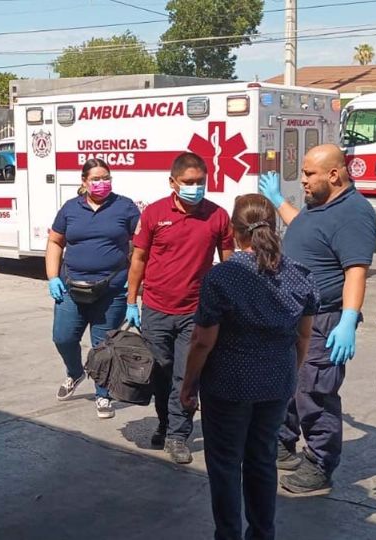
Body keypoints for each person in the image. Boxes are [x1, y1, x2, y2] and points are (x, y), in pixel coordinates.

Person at [179, 194, 317, 540]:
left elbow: (202, 341)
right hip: (275, 384)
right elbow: (303, 337)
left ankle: (227, 534)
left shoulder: (222, 277)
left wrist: (188, 384)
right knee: (262, 460)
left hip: (228, 387)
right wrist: (290, 373)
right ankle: (262, 533)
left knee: (225, 465)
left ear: (233, 231)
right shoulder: (299, 275)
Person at [258, 144, 376, 494]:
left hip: (326, 321)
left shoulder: (354, 214)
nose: (304, 181)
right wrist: (278, 200)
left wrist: (348, 319)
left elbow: (356, 271)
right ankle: (283, 443)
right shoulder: (320, 205)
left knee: (315, 393)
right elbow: (303, 228)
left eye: (309, 174)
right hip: (295, 318)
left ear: (334, 175)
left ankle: (320, 464)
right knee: (289, 385)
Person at [126, 151, 235, 464]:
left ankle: (178, 435)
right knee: (159, 374)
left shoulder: (218, 216)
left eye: (201, 181)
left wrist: (228, 303)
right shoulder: (153, 214)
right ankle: (164, 423)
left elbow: (229, 262)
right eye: (189, 182)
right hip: (156, 309)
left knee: (186, 376)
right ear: (173, 182)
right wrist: (132, 299)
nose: (196, 187)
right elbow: (139, 259)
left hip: (196, 312)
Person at [46, 158, 141, 419]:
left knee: (104, 346)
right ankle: (75, 372)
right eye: (96, 179)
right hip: (71, 287)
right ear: (84, 182)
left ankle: (103, 395)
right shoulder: (70, 208)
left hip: (111, 291)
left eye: (106, 177)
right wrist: (52, 276)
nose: (102, 183)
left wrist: (132, 289)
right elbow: (55, 241)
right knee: (63, 337)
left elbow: (141, 247)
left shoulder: (125, 207)